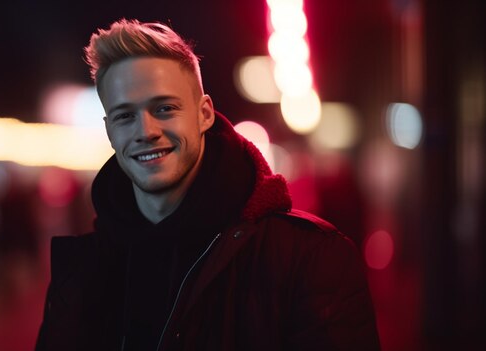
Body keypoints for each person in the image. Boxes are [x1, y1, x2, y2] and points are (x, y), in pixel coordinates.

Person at [36, 18, 380, 350]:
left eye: (165, 108)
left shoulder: (310, 258)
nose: (145, 131)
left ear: (205, 114)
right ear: (110, 130)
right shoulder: (82, 271)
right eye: (125, 116)